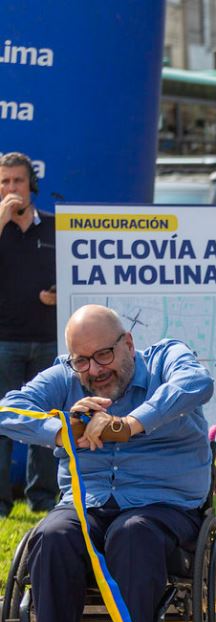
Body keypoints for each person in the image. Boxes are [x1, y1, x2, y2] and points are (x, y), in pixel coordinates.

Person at [0, 304, 214, 622]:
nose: (94, 370)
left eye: (103, 355)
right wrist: (62, 429)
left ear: (128, 343)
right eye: (82, 361)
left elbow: (197, 382)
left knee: (132, 535)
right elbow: (6, 410)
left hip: (163, 505)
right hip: (87, 504)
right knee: (51, 535)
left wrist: (127, 425)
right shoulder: (65, 375)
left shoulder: (165, 359)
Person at [0, 152, 59, 517]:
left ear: (31, 185)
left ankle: (43, 500)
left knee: (46, 423)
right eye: (4, 182)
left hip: (48, 339)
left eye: (17, 181)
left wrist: (59, 294)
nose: (11, 189)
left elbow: (77, 274)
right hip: (4, 340)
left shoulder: (53, 227)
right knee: (2, 423)